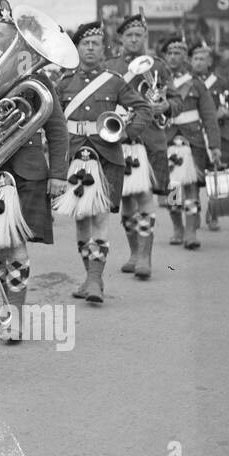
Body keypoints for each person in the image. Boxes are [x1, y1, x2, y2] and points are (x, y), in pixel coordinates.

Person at [0, 4, 68, 341]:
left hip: (26, 169)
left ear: (16, 39)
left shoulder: (37, 77)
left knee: (15, 246)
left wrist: (58, 174)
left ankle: (13, 316)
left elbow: (57, 129)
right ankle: (2, 309)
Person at [55, 22, 153, 301]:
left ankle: (96, 280)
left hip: (106, 157)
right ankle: (89, 277)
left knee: (99, 217)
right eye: (85, 43)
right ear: (77, 48)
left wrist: (126, 133)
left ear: (103, 49)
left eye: (95, 43)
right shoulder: (63, 83)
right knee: (81, 220)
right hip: (73, 158)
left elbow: (143, 108)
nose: (89, 48)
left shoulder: (114, 80)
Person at [104, 11, 172, 279]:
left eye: (139, 35)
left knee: (144, 198)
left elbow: (175, 98)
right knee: (127, 200)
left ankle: (145, 257)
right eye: (129, 35)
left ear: (146, 37)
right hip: (120, 139)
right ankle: (134, 253)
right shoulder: (111, 66)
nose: (134, 40)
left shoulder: (158, 66)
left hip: (148, 139)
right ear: (121, 38)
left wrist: (167, 104)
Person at [160, 35, 221, 247]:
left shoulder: (196, 85)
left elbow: (210, 117)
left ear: (185, 56)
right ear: (164, 57)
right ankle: (178, 228)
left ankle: (191, 232)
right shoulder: (158, 84)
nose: (174, 57)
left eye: (178, 53)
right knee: (173, 189)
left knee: (192, 188)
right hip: (167, 142)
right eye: (170, 53)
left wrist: (214, 145)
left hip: (193, 142)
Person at [196, 46, 229, 230]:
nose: (198, 62)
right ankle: (185, 216)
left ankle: (214, 213)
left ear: (209, 62)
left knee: (217, 174)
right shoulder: (183, 83)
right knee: (183, 178)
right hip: (193, 135)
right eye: (195, 58)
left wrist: (228, 112)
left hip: (218, 135)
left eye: (203, 59)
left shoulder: (221, 83)